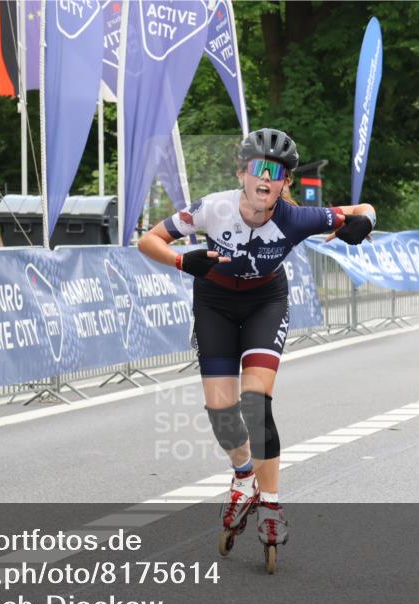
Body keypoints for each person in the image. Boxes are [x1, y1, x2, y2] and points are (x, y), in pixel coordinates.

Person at [138, 128, 376, 572]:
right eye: (258, 168)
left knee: (254, 401)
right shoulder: (213, 207)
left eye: (278, 172)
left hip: (266, 302)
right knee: (220, 408)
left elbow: (361, 210)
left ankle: (270, 505)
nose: (267, 178)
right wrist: (180, 260)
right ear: (241, 173)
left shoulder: (299, 218)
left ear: (286, 183)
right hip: (214, 303)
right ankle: (243, 479)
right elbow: (148, 240)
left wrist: (365, 224)